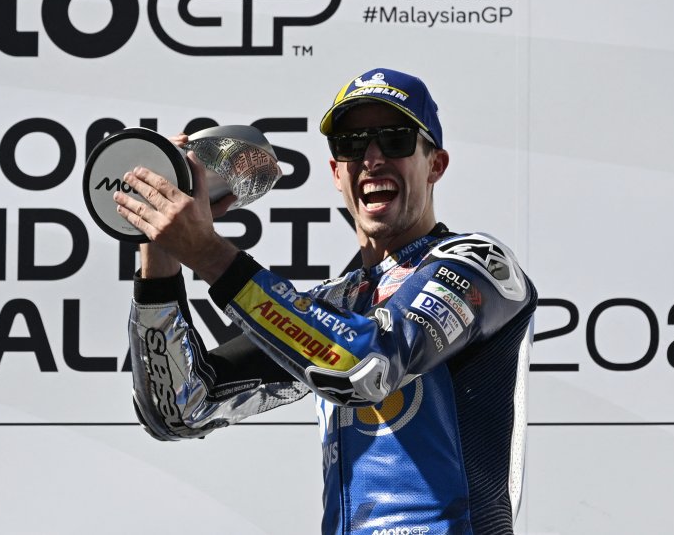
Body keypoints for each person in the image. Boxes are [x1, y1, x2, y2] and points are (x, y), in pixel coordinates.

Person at [113, 68, 537, 535]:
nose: (372, 159)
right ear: (337, 173)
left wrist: (210, 255)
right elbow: (180, 409)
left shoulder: (480, 265)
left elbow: (367, 367)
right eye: (352, 146)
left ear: (435, 164)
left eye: (394, 140)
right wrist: (162, 255)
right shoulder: (333, 306)